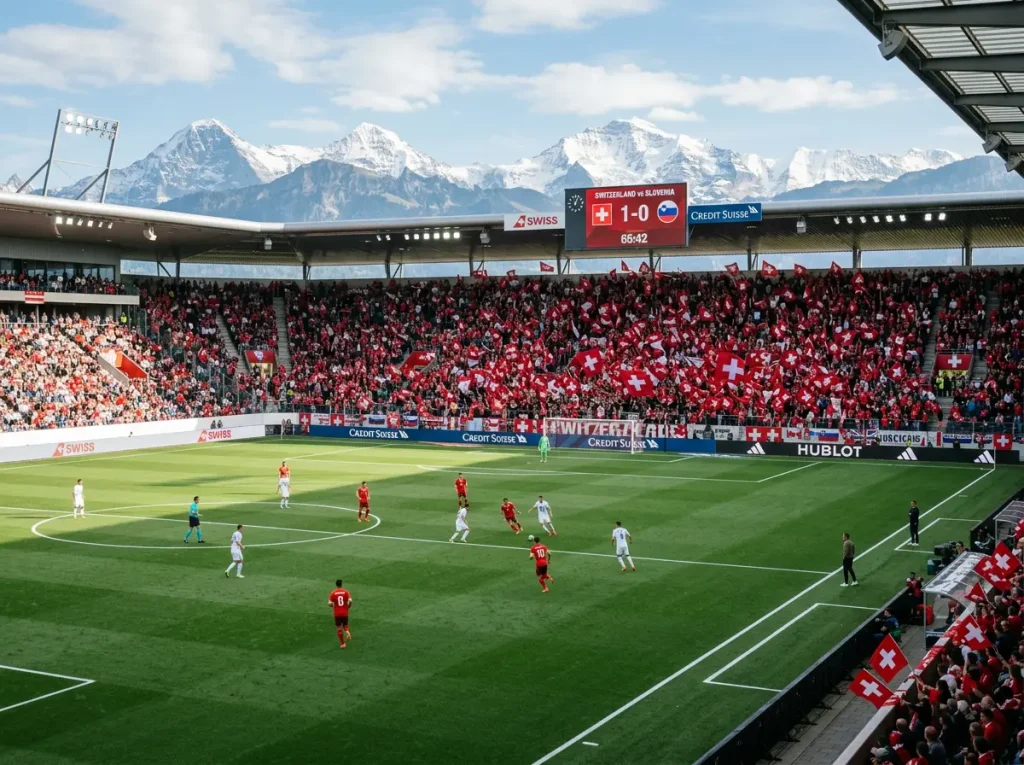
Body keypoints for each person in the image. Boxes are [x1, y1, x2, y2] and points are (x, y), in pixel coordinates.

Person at [328, 579, 352, 650]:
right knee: (345, 624)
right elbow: (350, 600)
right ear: (342, 584)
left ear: (336, 585)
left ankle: (343, 644)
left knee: (339, 628)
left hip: (337, 613)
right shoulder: (346, 592)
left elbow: (329, 603)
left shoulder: (333, 593)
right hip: (345, 612)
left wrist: (332, 604)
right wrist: (349, 606)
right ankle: (347, 631)